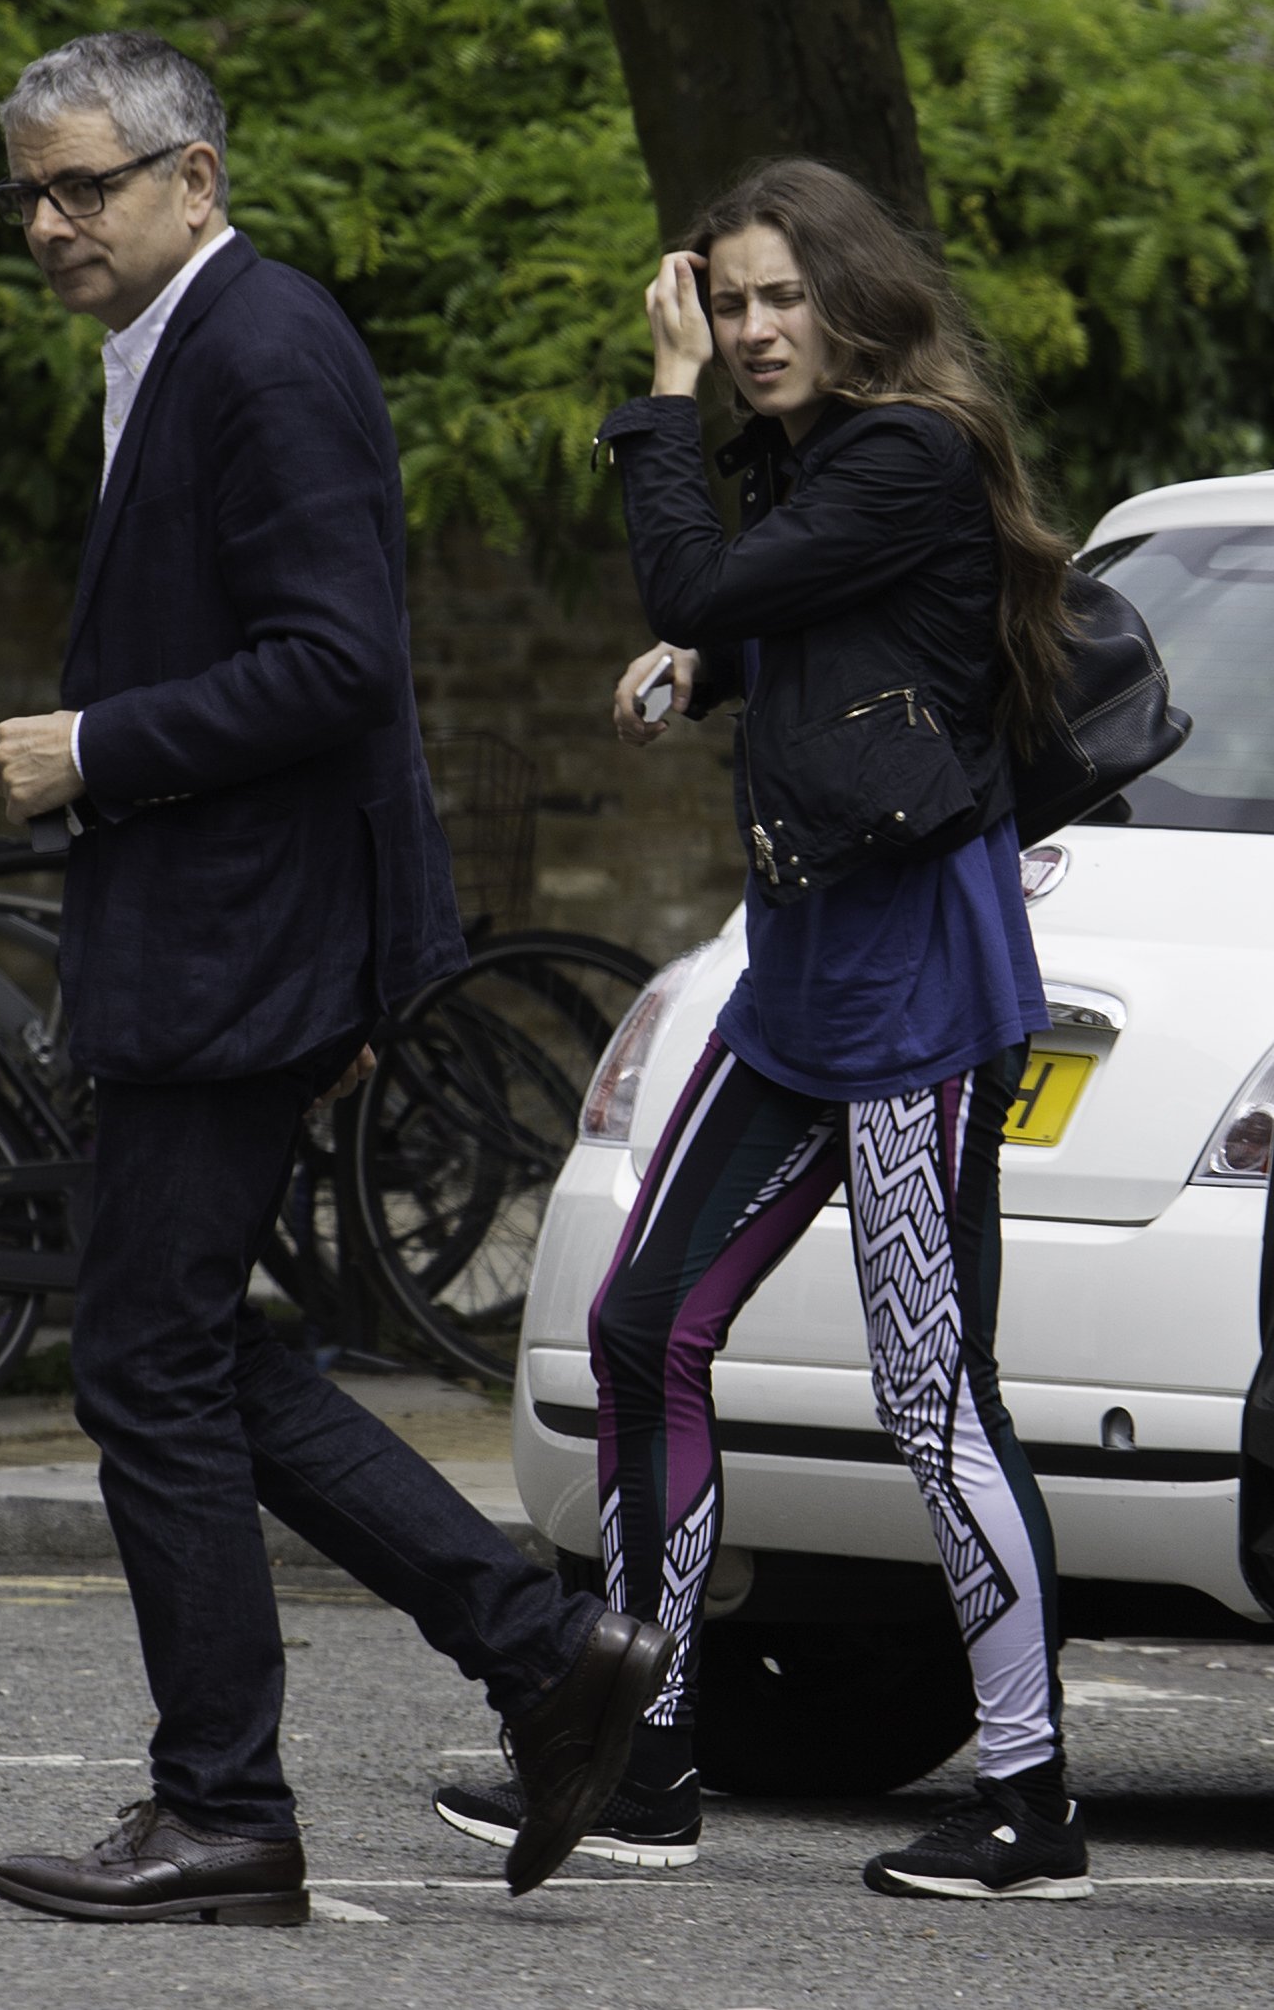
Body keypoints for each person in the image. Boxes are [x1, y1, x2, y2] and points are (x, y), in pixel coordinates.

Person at [0, 30, 672, 1926]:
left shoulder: (263, 349)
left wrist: (93, 747)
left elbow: (339, 663)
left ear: (194, 180)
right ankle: (537, 1652)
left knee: (144, 1358)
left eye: (84, 184)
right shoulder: (189, 345)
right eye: (28, 191)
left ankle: (228, 1808)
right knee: (181, 1344)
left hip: (231, 949)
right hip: (247, 943)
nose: (49, 222)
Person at [435, 157, 1093, 1902]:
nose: (744, 332)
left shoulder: (914, 448)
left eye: (776, 297)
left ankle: (1033, 1801)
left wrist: (658, 419)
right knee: (644, 1322)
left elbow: (714, 584)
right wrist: (706, 676)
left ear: (853, 295)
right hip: (797, 966)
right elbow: (810, 627)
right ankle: (642, 1757)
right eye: (723, 306)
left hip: (920, 985)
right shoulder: (833, 467)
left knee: (933, 1393)